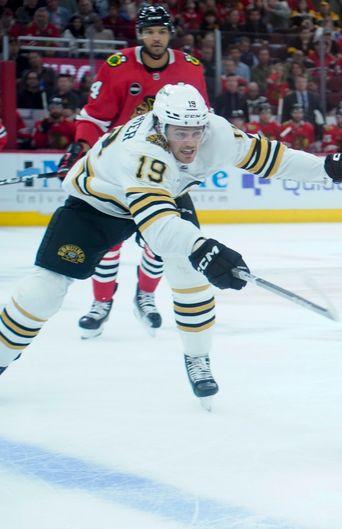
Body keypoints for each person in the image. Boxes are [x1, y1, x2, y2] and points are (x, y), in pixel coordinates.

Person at [0, 83, 342, 408]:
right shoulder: (144, 152)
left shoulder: (215, 132)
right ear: (160, 125)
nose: (190, 143)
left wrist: (334, 167)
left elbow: (272, 159)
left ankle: (197, 357)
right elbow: (156, 227)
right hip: (96, 204)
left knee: (189, 273)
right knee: (45, 291)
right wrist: (205, 247)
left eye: (196, 132)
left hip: (164, 196)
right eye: (180, 133)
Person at [57, 4, 211, 340]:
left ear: (170, 34)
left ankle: (145, 296)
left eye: (161, 31)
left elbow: (203, 120)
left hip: (164, 172)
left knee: (161, 241)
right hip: (118, 171)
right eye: (150, 31)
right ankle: (101, 303)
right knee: (107, 243)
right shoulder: (117, 67)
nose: (156, 38)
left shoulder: (190, 68)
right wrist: (81, 148)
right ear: (140, 34)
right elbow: (94, 118)